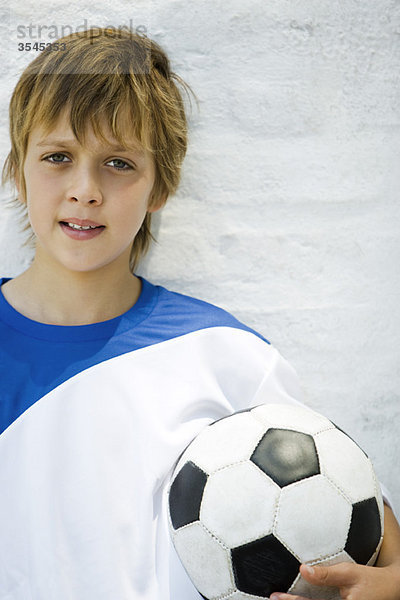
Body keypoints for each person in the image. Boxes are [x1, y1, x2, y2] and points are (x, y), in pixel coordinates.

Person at [0, 27, 399, 600]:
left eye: (118, 163)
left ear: (161, 186)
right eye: (57, 157)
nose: (85, 189)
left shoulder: (225, 357)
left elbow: (377, 541)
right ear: (18, 169)